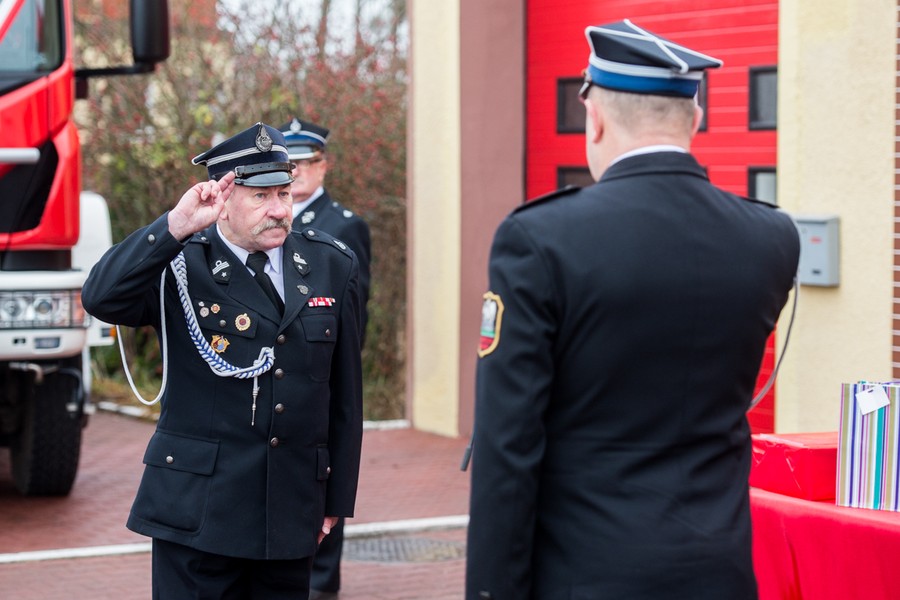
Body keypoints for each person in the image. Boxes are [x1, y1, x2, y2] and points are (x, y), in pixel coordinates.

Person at [465, 19, 800, 600]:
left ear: (593, 120)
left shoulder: (541, 239)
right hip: (719, 573)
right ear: (694, 118)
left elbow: (507, 448)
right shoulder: (770, 238)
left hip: (586, 575)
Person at [82, 122, 363, 599]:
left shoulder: (330, 264)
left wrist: (334, 501)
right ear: (223, 200)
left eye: (284, 193)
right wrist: (173, 226)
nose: (278, 210)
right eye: (260, 197)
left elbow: (344, 397)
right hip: (200, 513)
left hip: (289, 510)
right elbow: (101, 296)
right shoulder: (179, 262)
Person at [279, 117, 371, 600]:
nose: (294, 174)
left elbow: (354, 312)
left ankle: (322, 587)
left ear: (323, 166)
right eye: (286, 165)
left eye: (304, 165)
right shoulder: (268, 220)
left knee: (326, 487)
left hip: (323, 373)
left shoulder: (343, 226)